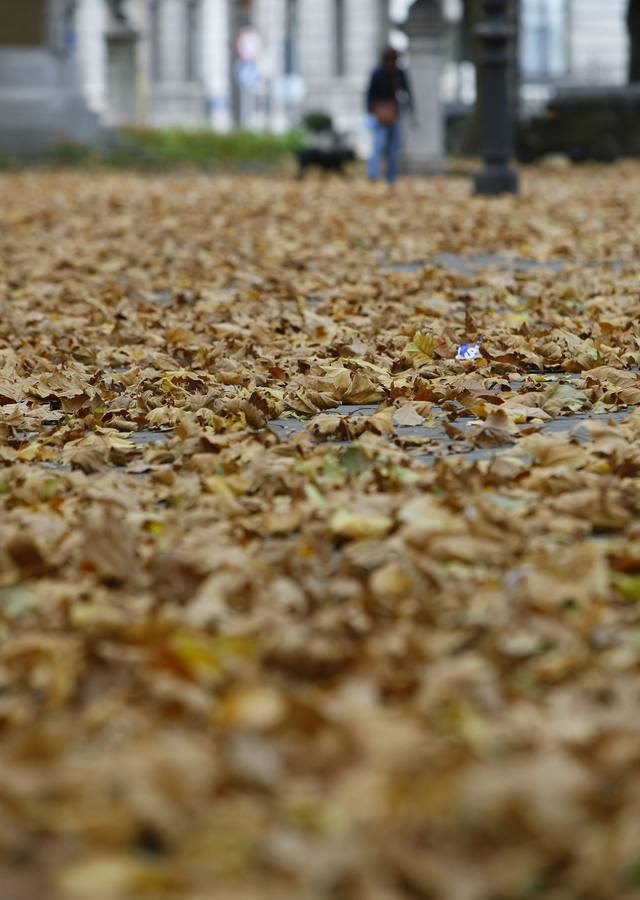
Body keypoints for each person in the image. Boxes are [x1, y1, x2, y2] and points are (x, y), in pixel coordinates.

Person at [366, 47, 413, 184]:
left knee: (394, 148)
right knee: (378, 145)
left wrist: (411, 109)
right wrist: (371, 111)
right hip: (379, 114)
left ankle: (391, 177)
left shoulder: (399, 74)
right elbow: (370, 94)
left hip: (394, 113)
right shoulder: (377, 73)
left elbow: (408, 91)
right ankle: (373, 174)